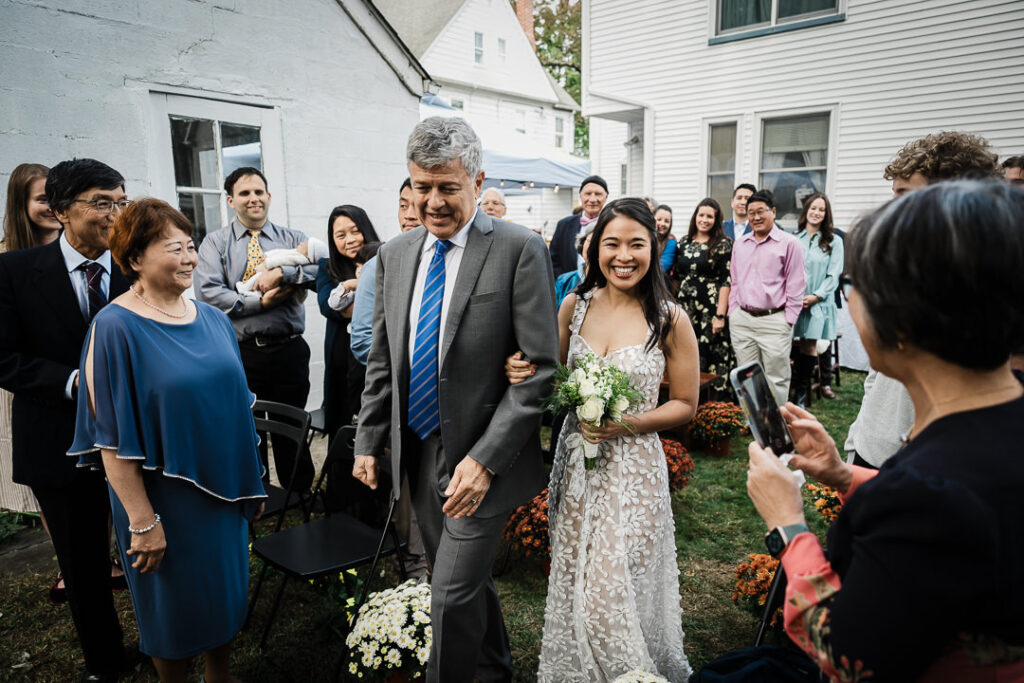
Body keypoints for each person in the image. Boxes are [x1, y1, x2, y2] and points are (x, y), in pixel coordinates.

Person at [746, 179, 1024, 681]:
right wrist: (845, 475)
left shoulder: (927, 490)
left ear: (901, 320)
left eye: (853, 287)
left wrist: (787, 524)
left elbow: (848, 655)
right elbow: (962, 518)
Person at [353, 116, 558, 682]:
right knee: (464, 580)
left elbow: (540, 371)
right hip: (417, 451)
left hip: (481, 458)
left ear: (477, 179)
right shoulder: (394, 255)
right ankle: (496, 670)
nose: (434, 201)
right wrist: (370, 440)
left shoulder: (518, 249)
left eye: (448, 186)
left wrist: (484, 461)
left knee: (446, 595)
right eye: (422, 187)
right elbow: (383, 361)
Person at [69, 198, 266, 683]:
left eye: (192, 246)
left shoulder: (215, 320)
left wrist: (252, 480)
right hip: (162, 504)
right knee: (171, 613)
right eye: (173, 247)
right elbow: (110, 441)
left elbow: (237, 410)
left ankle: (219, 676)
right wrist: (141, 521)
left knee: (224, 597)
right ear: (134, 258)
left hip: (223, 494)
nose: (189, 258)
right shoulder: (113, 328)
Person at [534, 197, 699, 682]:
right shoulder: (574, 307)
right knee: (577, 583)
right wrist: (525, 371)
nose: (623, 256)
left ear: (655, 247)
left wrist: (625, 424)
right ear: (593, 248)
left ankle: (631, 673)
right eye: (612, 244)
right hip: (577, 467)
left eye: (636, 244)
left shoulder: (670, 319)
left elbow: (685, 405)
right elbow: (553, 380)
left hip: (633, 473)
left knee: (613, 591)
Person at [0, 158, 129, 682]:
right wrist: (78, 382)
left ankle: (167, 639)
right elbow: (4, 360)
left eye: (121, 201)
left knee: (146, 548)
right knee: (83, 566)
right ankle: (106, 663)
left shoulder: (133, 264)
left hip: (135, 441)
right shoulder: (12, 273)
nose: (115, 213)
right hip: (57, 440)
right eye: (101, 202)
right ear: (60, 211)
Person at [845, 130, 1001, 469]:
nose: (892, 209)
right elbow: (879, 376)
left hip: (929, 463)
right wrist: (857, 437)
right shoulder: (899, 265)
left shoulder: (988, 285)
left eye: (904, 195)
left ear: (949, 197)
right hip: (874, 447)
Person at [195, 166, 316, 490]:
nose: (254, 199)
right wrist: (259, 304)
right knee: (248, 429)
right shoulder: (215, 244)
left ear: (269, 196)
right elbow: (208, 293)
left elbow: (318, 271)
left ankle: (299, 495)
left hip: (288, 349)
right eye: (245, 193)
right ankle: (257, 495)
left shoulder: (293, 239)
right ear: (231, 200)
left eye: (259, 192)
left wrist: (282, 275)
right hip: (240, 353)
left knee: (292, 423)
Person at [349, 179, 429, 580]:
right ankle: (416, 580)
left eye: (418, 204)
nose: (411, 213)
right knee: (409, 500)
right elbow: (365, 342)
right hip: (403, 402)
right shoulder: (383, 263)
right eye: (403, 205)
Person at [1, 163, 60, 516]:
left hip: (70, 381)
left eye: (57, 197)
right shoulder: (7, 258)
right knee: (45, 482)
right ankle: (67, 566)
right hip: (25, 382)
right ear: (20, 204)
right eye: (42, 198)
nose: (52, 206)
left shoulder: (80, 251)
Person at [728, 189, 805, 407]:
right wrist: (733, 311)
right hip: (742, 319)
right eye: (751, 212)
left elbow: (796, 283)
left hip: (774, 320)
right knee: (747, 374)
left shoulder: (789, 244)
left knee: (776, 376)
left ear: (773, 211)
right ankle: (754, 421)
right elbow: (735, 280)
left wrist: (788, 319)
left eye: (761, 211)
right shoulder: (740, 244)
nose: (756, 217)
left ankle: (777, 425)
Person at [316, 205, 380, 439]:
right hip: (340, 363)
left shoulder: (385, 257)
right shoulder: (326, 267)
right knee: (341, 430)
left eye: (355, 231)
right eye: (341, 235)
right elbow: (329, 307)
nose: (350, 240)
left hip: (374, 362)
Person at [674, 197, 735, 395]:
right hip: (685, 307)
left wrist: (720, 316)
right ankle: (688, 397)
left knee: (710, 353)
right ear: (695, 217)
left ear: (716, 220)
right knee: (686, 351)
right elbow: (677, 276)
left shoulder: (723, 244)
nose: (705, 220)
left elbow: (726, 281)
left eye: (710, 216)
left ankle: (714, 404)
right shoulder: (683, 242)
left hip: (710, 307)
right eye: (702, 215)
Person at [791, 193, 843, 405]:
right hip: (794, 301)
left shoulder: (834, 241)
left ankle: (800, 398)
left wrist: (815, 296)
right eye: (813, 208)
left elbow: (834, 274)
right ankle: (787, 392)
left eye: (821, 209)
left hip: (818, 304)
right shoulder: (794, 239)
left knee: (809, 346)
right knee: (788, 346)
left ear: (826, 214)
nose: (816, 213)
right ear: (806, 211)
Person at [549, 175, 608, 278]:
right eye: (588, 194)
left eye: (598, 194)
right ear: (580, 196)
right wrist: (564, 282)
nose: (592, 199)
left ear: (606, 198)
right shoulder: (564, 225)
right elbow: (553, 260)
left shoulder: (611, 225)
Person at [553, 220, 595, 309]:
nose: (593, 247)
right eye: (590, 241)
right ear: (582, 244)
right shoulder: (564, 280)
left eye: (599, 243)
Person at [654, 203, 677, 275]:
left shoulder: (671, 242)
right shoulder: (646, 238)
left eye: (666, 221)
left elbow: (663, 267)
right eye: (659, 219)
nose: (662, 223)